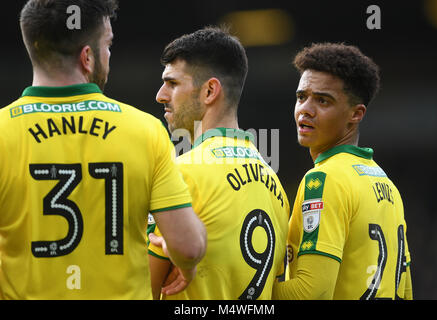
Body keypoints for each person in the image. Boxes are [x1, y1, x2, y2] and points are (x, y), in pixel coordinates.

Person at [0, 0, 206, 300]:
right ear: (87, 57)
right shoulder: (144, 130)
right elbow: (188, 247)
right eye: (107, 45)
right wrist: (186, 262)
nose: (108, 55)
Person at [147, 27, 290, 300]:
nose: (160, 95)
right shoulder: (276, 186)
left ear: (210, 90)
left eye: (173, 83)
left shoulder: (181, 174)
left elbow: (143, 291)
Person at [272, 42, 413, 300]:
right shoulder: (387, 185)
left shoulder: (324, 179)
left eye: (323, 100)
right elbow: (404, 291)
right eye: (301, 97)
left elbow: (310, 294)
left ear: (356, 114)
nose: (305, 109)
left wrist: (244, 292)